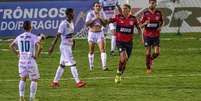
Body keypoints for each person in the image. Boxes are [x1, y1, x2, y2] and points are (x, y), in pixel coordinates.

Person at [48, 8, 86, 88]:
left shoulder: (71, 22)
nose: (74, 14)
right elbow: (58, 35)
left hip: (68, 46)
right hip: (65, 47)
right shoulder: (63, 24)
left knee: (62, 65)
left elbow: (70, 35)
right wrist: (52, 46)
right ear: (68, 14)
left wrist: (73, 42)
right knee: (73, 63)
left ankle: (55, 82)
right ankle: (78, 82)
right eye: (72, 13)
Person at [108, 4, 142, 83]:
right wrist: (103, 21)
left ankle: (119, 73)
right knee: (123, 57)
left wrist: (142, 38)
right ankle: (118, 74)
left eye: (125, 8)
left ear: (129, 10)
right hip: (120, 42)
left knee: (125, 60)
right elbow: (109, 20)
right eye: (123, 9)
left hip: (129, 43)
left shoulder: (133, 19)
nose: (123, 10)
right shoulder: (118, 17)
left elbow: (139, 28)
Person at [9, 21, 41, 101]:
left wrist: (17, 53)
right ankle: (32, 98)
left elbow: (11, 46)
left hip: (22, 62)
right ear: (31, 27)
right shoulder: (33, 36)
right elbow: (40, 46)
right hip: (31, 61)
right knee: (34, 79)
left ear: (23, 28)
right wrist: (36, 55)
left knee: (23, 78)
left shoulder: (19, 36)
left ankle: (21, 97)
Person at [140, 0, 164, 74]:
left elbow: (162, 22)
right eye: (151, 3)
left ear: (156, 4)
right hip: (147, 35)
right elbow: (140, 25)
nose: (152, 4)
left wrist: (160, 27)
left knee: (157, 52)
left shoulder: (159, 13)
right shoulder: (145, 13)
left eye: (153, 3)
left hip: (156, 35)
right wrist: (145, 23)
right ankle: (148, 68)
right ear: (149, 4)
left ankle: (150, 59)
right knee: (148, 52)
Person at [86, 2, 108, 71]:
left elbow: (105, 24)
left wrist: (101, 18)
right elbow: (87, 24)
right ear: (94, 7)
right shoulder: (90, 14)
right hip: (91, 33)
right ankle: (91, 66)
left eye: (99, 6)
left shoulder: (102, 13)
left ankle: (104, 66)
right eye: (96, 6)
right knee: (91, 51)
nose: (98, 7)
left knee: (103, 50)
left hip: (100, 33)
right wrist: (95, 18)